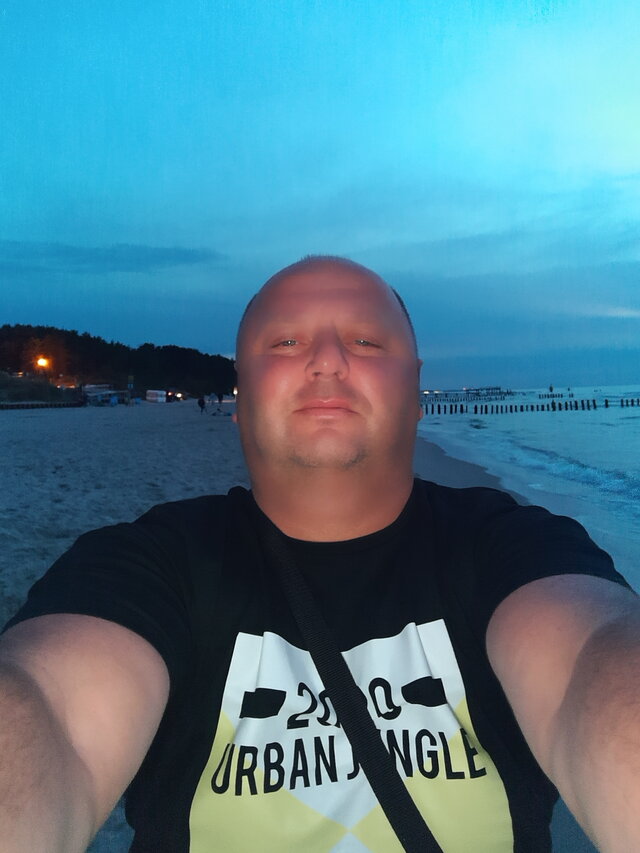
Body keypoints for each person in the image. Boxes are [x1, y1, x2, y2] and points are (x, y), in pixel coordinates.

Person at [0, 256, 638, 853]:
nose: (328, 360)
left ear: (417, 392)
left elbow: (593, 652)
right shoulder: (147, 565)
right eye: (285, 342)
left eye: (366, 341)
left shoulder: (514, 547)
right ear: (240, 396)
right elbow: (49, 707)